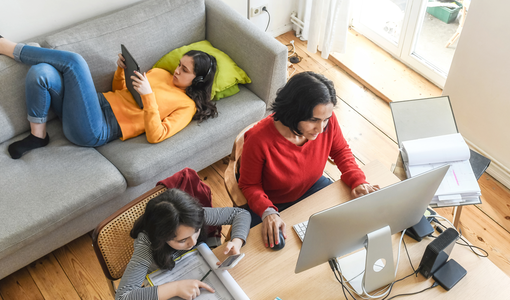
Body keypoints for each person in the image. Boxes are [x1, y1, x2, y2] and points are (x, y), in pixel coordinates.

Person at [0, 35, 218, 159]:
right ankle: (38, 136)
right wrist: (121, 71)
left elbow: (156, 135)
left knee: (75, 62)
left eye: (185, 70)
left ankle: (7, 47)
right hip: (92, 106)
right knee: (41, 73)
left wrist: (149, 97)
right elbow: (121, 91)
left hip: (97, 128)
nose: (177, 71)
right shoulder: (162, 73)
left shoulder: (186, 106)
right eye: (180, 65)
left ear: (197, 81)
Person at [238, 71, 380, 248]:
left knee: (348, 230)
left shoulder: (326, 122)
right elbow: (249, 185)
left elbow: (341, 151)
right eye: (313, 120)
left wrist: (358, 181)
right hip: (273, 202)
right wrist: (267, 211)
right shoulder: (258, 140)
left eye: (325, 120)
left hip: (312, 186)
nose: (320, 129)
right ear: (293, 111)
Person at [115, 188, 251, 300]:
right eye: (182, 240)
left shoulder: (192, 217)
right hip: (163, 280)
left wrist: (237, 241)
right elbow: (123, 297)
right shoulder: (146, 244)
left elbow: (241, 214)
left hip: (197, 267)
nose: (193, 242)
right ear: (161, 238)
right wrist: (175, 288)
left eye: (196, 231)